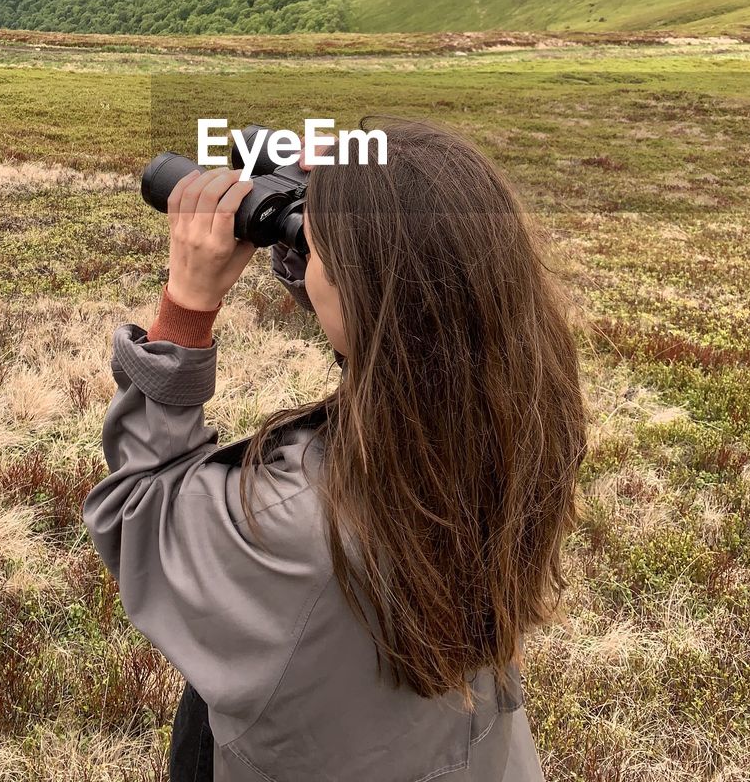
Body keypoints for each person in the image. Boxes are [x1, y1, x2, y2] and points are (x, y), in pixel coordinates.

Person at [82, 115, 588, 782]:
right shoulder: (523, 409)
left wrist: (186, 307)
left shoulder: (297, 525)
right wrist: (353, 211)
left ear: (363, 295)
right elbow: (405, 321)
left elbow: (141, 508)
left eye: (316, 257)